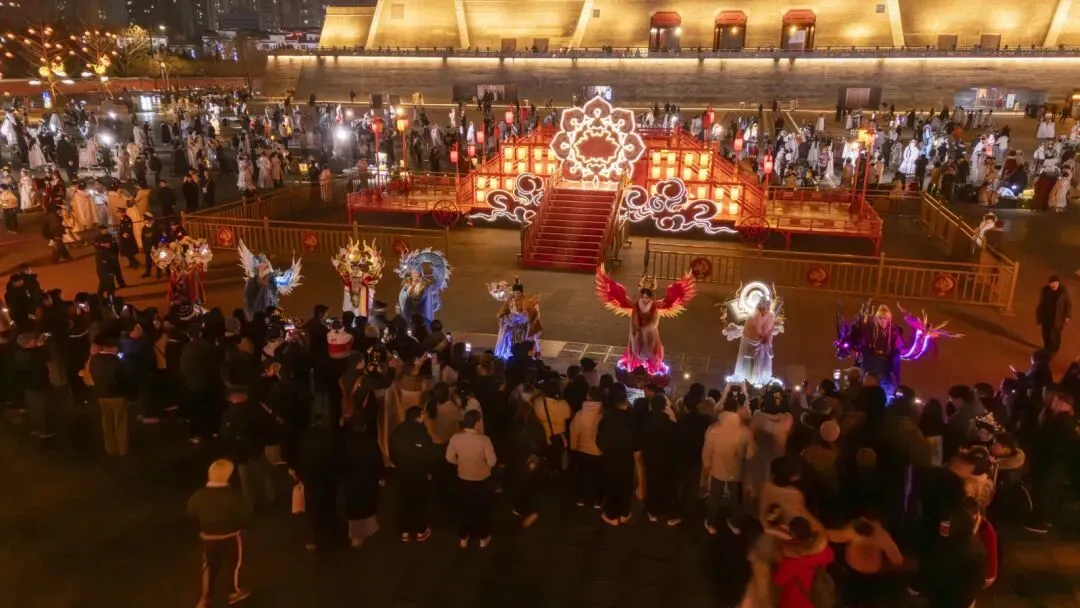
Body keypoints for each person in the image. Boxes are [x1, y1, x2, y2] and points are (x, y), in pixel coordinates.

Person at [187, 459, 253, 608]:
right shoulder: (234, 496)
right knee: (234, 565)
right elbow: (245, 514)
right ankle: (233, 592)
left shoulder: (199, 495)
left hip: (209, 538)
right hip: (230, 537)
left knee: (209, 567)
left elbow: (191, 512)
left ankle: (205, 597)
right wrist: (245, 527)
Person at [702, 388, 755, 535]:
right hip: (736, 470)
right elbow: (750, 454)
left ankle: (711, 522)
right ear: (737, 411)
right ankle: (734, 522)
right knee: (735, 498)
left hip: (716, 469)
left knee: (715, 496)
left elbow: (707, 451)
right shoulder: (745, 431)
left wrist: (707, 466)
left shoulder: (713, 429)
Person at [446, 409, 496, 548]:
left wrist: (460, 463)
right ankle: (483, 537)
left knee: (466, 507)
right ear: (477, 422)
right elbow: (492, 462)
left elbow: (449, 457)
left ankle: (464, 536)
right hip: (482, 478)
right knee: (482, 508)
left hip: (463, 477)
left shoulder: (456, 437)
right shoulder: (484, 439)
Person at [389, 405, 435, 542]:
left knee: (403, 500)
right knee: (419, 501)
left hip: (402, 472)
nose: (424, 416)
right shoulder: (422, 434)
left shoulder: (397, 432)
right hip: (419, 473)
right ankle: (420, 531)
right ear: (418, 417)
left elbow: (392, 453)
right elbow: (428, 455)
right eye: (422, 414)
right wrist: (429, 471)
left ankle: (404, 531)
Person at [83, 334, 131, 456]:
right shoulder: (118, 361)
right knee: (121, 422)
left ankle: (110, 448)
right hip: (117, 395)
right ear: (114, 347)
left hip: (101, 395)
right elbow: (125, 378)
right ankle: (122, 449)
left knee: (106, 422)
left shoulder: (93, 359)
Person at [596, 386, 636, 526]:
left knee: (612, 486)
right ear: (625, 404)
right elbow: (636, 442)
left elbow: (599, 442)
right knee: (625, 486)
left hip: (610, 459)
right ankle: (624, 513)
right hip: (627, 460)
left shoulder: (606, 420)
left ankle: (612, 515)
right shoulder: (632, 420)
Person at [342, 414, 384, 548]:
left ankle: (356, 537)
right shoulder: (370, 443)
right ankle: (370, 529)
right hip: (368, 480)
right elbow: (378, 462)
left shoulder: (345, 443)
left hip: (352, 482)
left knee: (354, 510)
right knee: (369, 506)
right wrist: (380, 477)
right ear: (364, 427)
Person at [640, 394, 682, 525]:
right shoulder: (671, 424)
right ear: (664, 407)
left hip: (650, 459)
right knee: (668, 487)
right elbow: (677, 443)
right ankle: (669, 514)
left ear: (651, 406)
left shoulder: (645, 423)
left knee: (652, 485)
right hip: (668, 461)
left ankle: (652, 512)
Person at [569, 386, 604, 508]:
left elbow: (574, 431)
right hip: (599, 451)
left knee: (582, 475)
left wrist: (573, 447)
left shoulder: (580, 413)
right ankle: (597, 500)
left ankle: (581, 498)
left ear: (588, 396)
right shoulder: (604, 413)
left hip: (582, 449)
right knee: (598, 477)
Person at [1036, 275, 1070, 356]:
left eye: (1056, 284)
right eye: (1053, 284)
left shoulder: (1063, 291)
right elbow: (1041, 303)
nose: (1054, 285)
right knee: (1045, 333)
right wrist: (1039, 315)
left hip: (1058, 317)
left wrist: (1067, 315)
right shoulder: (1044, 290)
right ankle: (1047, 348)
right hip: (1046, 316)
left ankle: (1054, 349)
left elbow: (1068, 303)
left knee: (1056, 334)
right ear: (1049, 284)